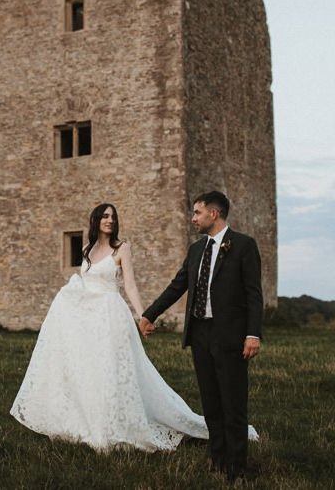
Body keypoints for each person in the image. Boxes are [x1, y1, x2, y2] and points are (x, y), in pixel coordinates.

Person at [10, 202, 210, 451]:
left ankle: (115, 424)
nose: (109, 220)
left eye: (112, 217)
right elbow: (84, 283)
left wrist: (143, 316)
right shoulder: (86, 250)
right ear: (96, 220)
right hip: (85, 320)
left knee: (111, 368)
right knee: (87, 369)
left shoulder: (121, 248)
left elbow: (130, 285)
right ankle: (85, 420)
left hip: (110, 315)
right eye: (105, 216)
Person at [140, 191, 263, 484]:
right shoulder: (196, 250)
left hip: (232, 337)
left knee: (233, 403)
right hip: (200, 334)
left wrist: (253, 334)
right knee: (211, 403)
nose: (193, 218)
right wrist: (149, 314)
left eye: (197, 213)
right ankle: (218, 461)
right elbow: (177, 286)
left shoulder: (244, 246)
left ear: (214, 213)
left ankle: (237, 468)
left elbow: (253, 295)